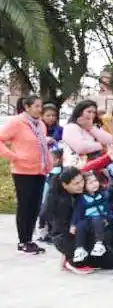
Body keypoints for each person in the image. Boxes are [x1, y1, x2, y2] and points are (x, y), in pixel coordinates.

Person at [45, 166, 113, 273]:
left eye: (81, 181)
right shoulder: (62, 201)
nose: (80, 186)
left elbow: (104, 195)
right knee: (81, 255)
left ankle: (79, 256)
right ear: (65, 185)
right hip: (67, 236)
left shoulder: (83, 191)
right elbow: (61, 229)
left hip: (88, 232)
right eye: (76, 184)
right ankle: (72, 261)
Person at [0, 95, 52, 254]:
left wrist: (48, 162)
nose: (39, 109)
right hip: (23, 170)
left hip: (40, 170)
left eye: (40, 106)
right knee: (25, 206)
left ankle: (29, 240)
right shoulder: (17, 122)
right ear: (27, 107)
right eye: (36, 106)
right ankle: (23, 241)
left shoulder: (41, 125)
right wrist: (13, 157)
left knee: (35, 206)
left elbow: (42, 145)